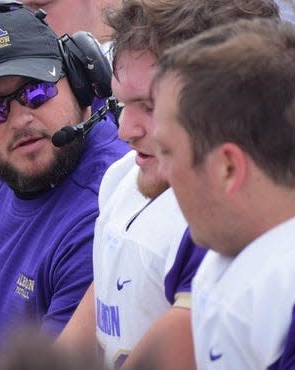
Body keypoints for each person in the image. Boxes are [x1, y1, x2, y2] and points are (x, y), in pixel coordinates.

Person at [56, 1, 280, 370]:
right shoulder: (123, 178)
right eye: (122, 102)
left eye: (150, 105)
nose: (125, 130)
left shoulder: (226, 221)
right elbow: (71, 348)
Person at [0, 1, 128, 369]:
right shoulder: (5, 189)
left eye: (36, 91)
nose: (19, 119)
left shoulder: (101, 212)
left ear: (79, 82)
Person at [152, 16, 295, 370]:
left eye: (168, 152)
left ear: (228, 168)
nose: (162, 172)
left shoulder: (276, 296)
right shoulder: (231, 250)